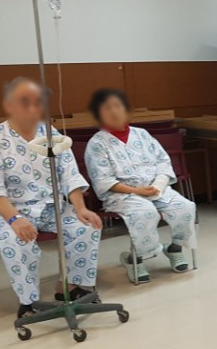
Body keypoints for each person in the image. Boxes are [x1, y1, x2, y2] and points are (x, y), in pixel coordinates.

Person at [0, 77, 103, 318]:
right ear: (9, 105)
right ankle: (28, 301)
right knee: (17, 241)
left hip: (50, 206)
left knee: (86, 227)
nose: (33, 108)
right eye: (25, 102)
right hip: (9, 210)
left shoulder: (51, 135)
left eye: (38, 102)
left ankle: (70, 287)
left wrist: (80, 208)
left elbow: (69, 174)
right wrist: (15, 220)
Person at [84, 88, 196, 283]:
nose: (114, 111)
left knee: (185, 207)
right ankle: (134, 259)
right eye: (107, 108)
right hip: (123, 194)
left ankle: (175, 249)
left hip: (155, 189)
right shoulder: (97, 143)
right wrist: (136, 191)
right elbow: (103, 179)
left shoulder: (143, 134)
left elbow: (163, 162)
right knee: (145, 213)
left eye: (118, 106)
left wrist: (158, 186)